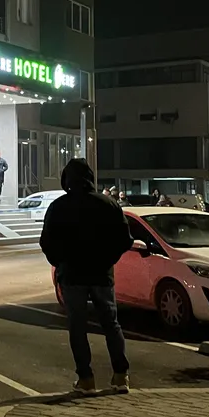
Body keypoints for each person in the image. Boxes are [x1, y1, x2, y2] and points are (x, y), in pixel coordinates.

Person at [40, 158, 133, 394]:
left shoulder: (59, 207)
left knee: (77, 326)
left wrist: (60, 263)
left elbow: (46, 242)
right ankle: (120, 376)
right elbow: (125, 239)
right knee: (111, 324)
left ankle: (86, 378)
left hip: (72, 274)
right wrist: (108, 259)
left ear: (66, 179)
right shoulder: (109, 204)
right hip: (101, 273)